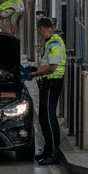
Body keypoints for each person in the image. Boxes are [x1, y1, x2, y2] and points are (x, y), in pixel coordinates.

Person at [31, 17, 66, 165]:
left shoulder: (55, 43)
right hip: (47, 83)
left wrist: (32, 72)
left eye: (40, 32)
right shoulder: (50, 41)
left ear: (45, 29)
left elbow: (52, 67)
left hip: (52, 82)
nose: (40, 35)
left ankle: (53, 152)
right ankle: (48, 150)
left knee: (49, 117)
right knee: (44, 117)